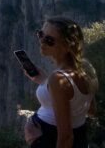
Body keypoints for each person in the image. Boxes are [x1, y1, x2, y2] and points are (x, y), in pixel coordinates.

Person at [23, 17, 98, 148]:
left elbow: (66, 137)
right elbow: (89, 109)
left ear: (67, 46)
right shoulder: (86, 68)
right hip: (79, 137)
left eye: (49, 40)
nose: (41, 41)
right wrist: (43, 80)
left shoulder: (58, 79)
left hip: (50, 140)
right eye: (40, 34)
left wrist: (38, 140)